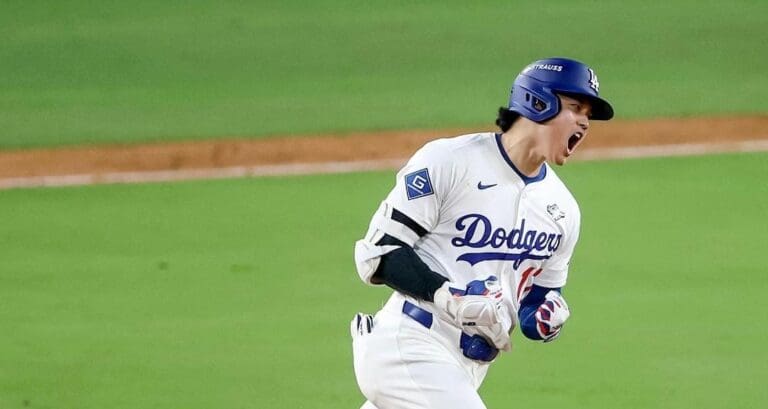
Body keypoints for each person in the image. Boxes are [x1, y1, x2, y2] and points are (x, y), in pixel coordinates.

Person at [350, 57, 614, 409]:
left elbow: (536, 302)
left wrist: (547, 315)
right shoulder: (451, 160)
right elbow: (378, 254)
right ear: (538, 102)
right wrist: (449, 298)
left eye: (588, 114)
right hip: (408, 346)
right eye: (576, 108)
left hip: (464, 371)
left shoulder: (563, 209)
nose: (584, 121)